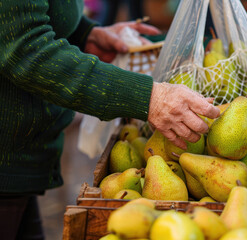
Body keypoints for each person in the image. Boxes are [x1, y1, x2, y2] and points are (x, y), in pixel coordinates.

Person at [0, 1, 220, 239]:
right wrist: (147, 97)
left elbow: (21, 19)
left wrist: (85, 34)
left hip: (19, 158)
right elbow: (25, 48)